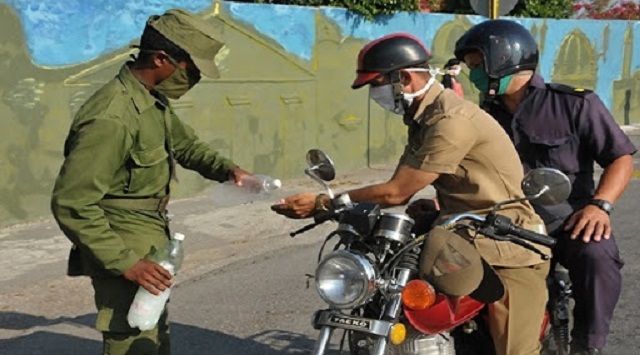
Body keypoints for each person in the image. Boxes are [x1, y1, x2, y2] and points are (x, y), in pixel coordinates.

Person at [272, 32, 552, 355]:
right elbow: (401, 190)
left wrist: (325, 203)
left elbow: (395, 193)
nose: (375, 94)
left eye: (376, 84)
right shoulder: (422, 119)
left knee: (515, 352)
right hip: (459, 239)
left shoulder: (451, 120)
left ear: (402, 78)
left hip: (508, 246)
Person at [50, 9, 252, 355]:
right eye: (193, 69)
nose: (196, 79)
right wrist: (125, 262)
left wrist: (229, 171)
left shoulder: (150, 99)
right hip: (120, 241)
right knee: (132, 339)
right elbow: (72, 202)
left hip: (149, 234)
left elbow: (185, 144)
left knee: (153, 333)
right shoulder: (112, 117)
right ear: (161, 58)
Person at [454, 19, 637, 355]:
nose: (474, 74)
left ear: (504, 61)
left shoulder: (575, 104)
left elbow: (621, 158)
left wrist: (600, 206)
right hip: (508, 224)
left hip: (568, 218)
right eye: (470, 67)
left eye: (478, 66)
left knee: (597, 257)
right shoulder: (482, 115)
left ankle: (588, 346)